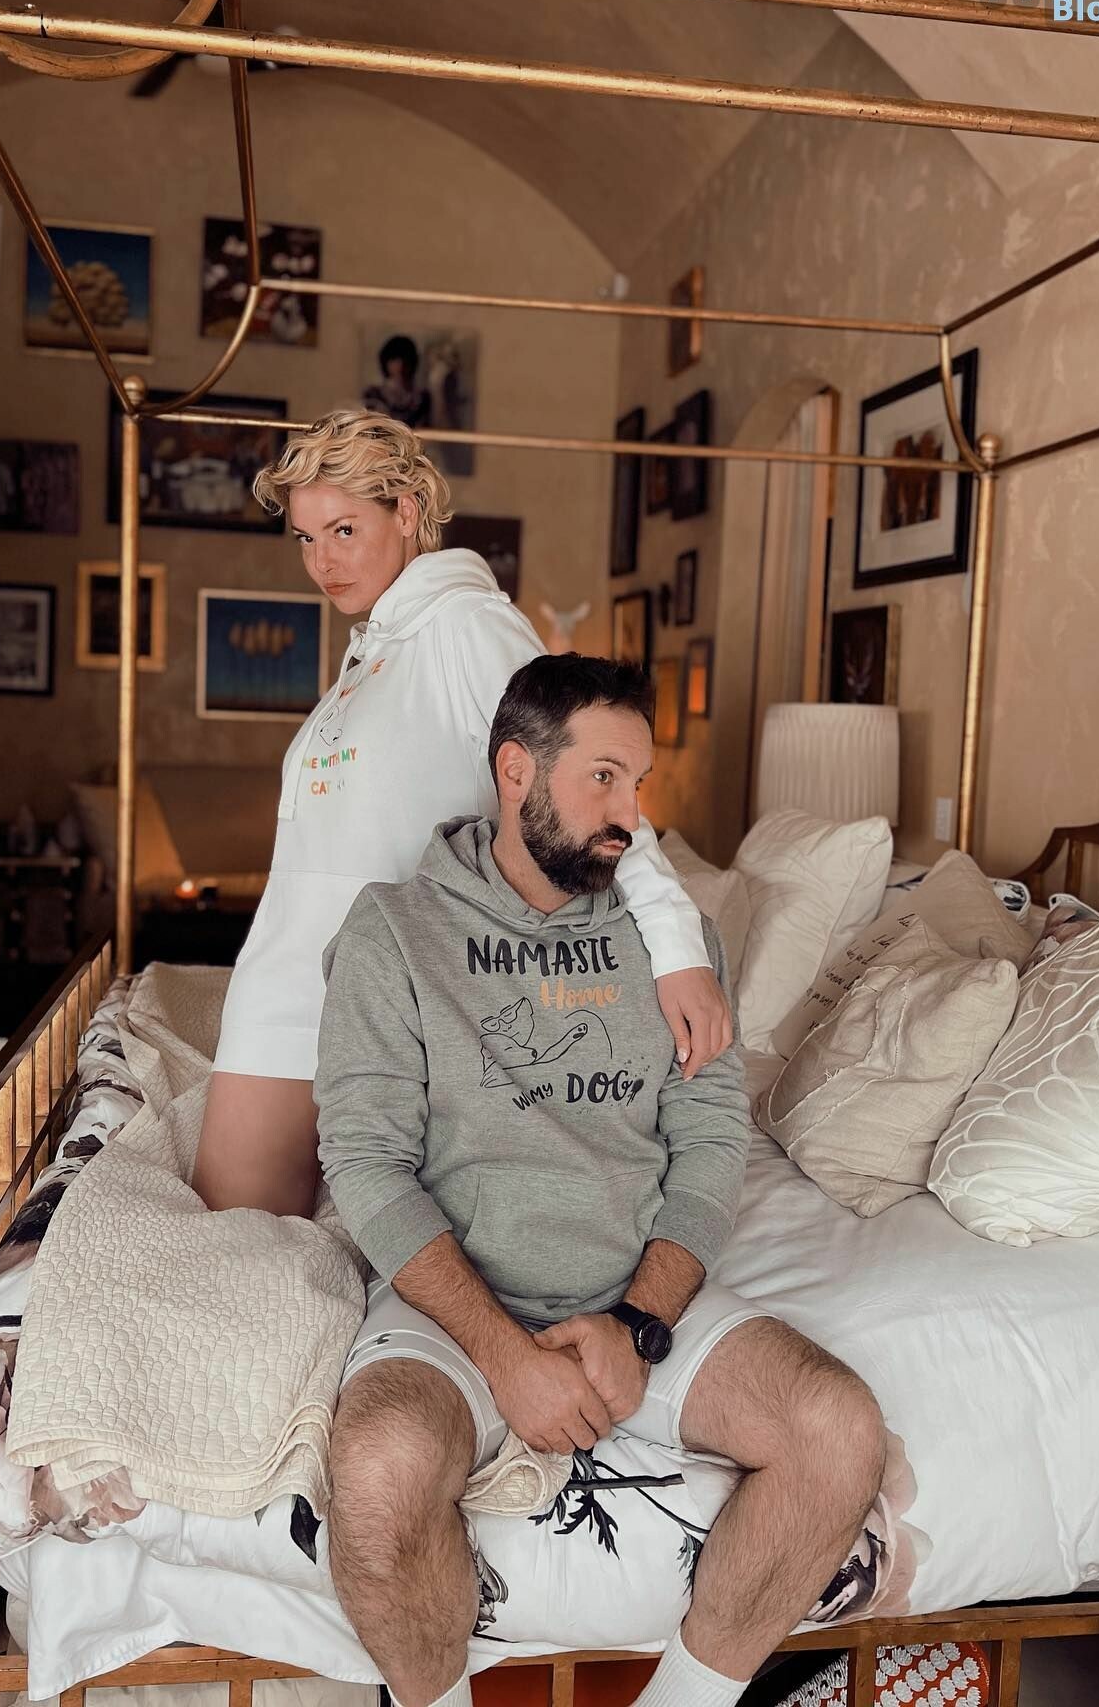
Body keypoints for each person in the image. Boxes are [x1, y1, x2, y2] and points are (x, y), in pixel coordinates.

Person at [315, 655, 887, 1707]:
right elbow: (365, 1162)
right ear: (516, 773)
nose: (630, 816)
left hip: (633, 1297)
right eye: (603, 779)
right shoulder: (394, 931)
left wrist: (638, 1325)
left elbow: (712, 1144)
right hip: (457, 1312)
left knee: (839, 1428)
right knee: (381, 1468)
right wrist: (504, 1357)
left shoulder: (675, 943)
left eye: (640, 784)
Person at [193, 410, 732, 1216]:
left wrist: (678, 948)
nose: (322, 561)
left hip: (387, 996)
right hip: (287, 987)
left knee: (262, 1249)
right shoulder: (376, 646)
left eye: (344, 530)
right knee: (239, 1244)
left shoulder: (468, 626)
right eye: (306, 538)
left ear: (407, 512)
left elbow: (588, 771)